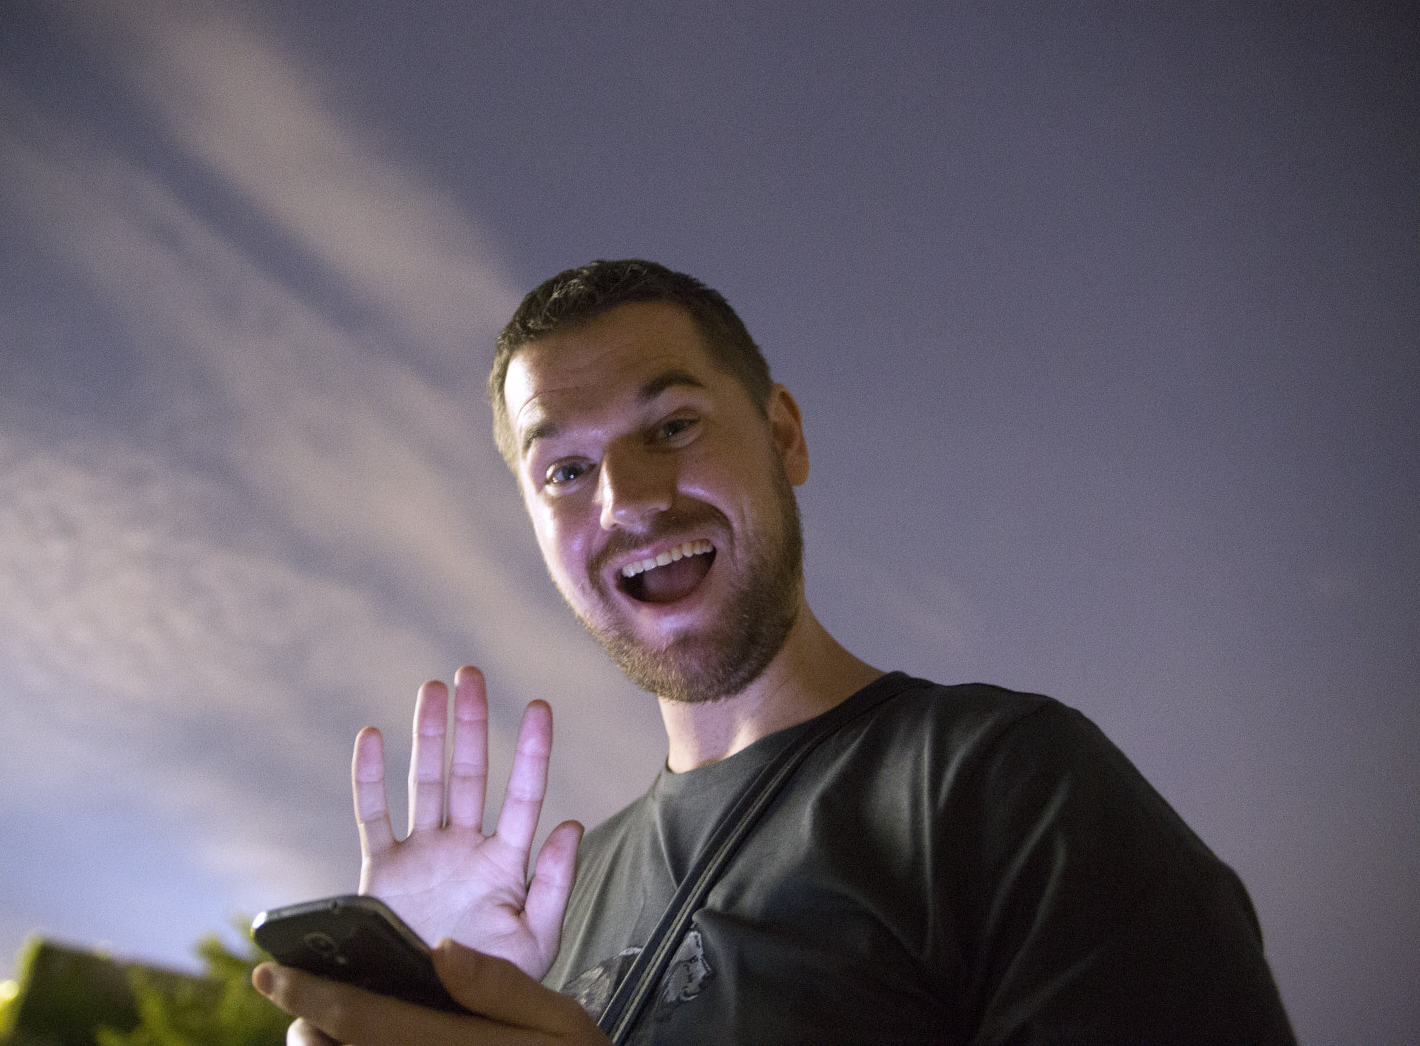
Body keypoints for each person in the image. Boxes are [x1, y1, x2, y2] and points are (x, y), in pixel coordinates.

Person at [252, 260, 1296, 1044]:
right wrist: (427, 999)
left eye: (672, 426)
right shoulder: (548, 917)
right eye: (564, 471)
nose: (628, 499)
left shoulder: (1007, 784)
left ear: (783, 435)